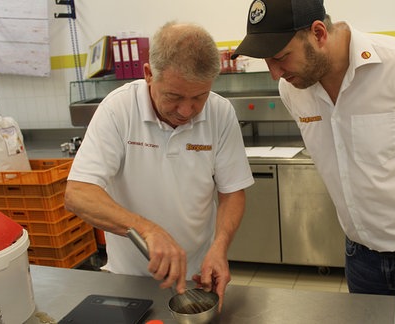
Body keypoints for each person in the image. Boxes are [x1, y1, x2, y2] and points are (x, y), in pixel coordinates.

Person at [232, 0, 395, 323]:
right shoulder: (293, 89)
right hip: (362, 258)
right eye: (267, 60)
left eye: (280, 57)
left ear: (318, 33)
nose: (275, 72)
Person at [64, 22, 254, 310]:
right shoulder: (118, 110)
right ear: (149, 74)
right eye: (174, 97)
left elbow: (232, 192)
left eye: (199, 97)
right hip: (130, 279)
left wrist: (220, 247)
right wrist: (147, 230)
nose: (186, 111)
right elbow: (78, 193)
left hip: (197, 276)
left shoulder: (220, 112)